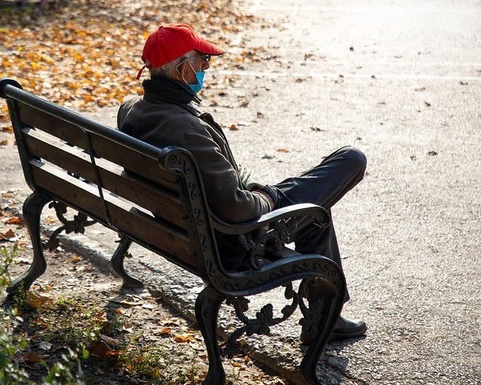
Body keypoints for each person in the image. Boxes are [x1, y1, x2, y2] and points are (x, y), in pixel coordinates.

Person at [117, 22, 367, 343]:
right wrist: (267, 197)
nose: (207, 67)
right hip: (235, 242)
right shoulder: (186, 130)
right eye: (201, 60)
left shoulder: (132, 111)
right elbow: (239, 209)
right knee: (350, 161)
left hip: (184, 229)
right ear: (181, 69)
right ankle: (324, 320)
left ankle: (324, 318)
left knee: (314, 208)